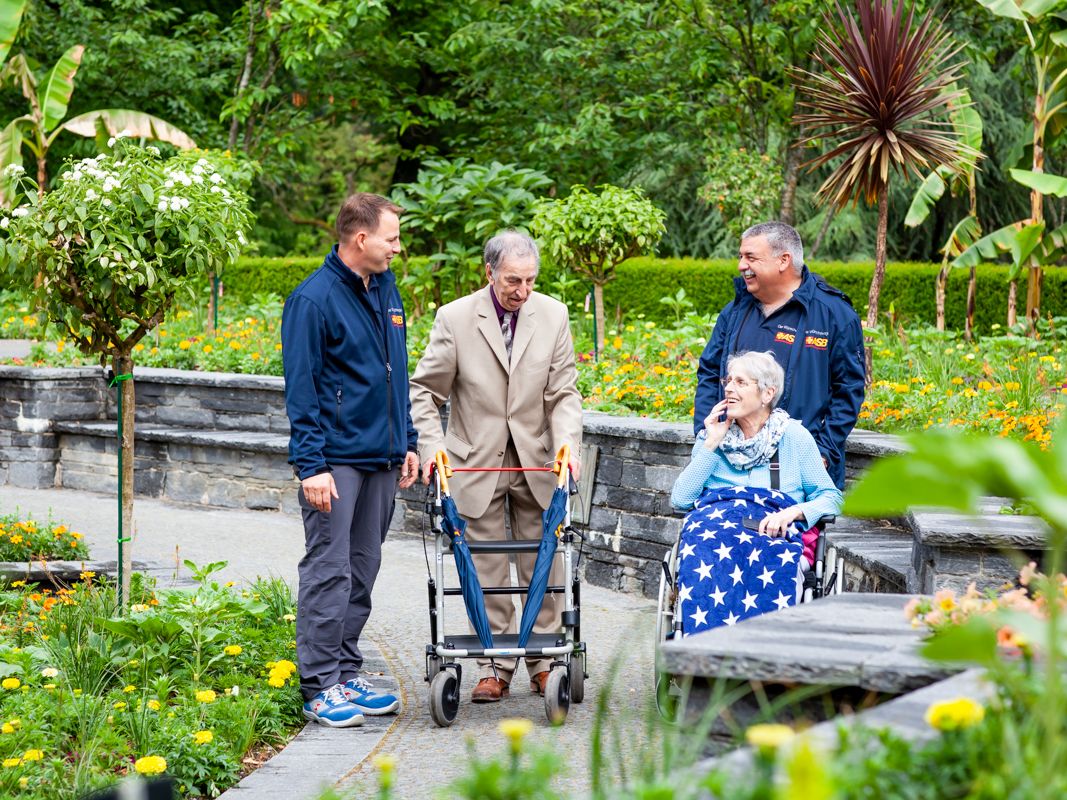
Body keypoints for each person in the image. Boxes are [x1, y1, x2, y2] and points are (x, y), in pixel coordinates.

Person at [409, 229, 583, 703]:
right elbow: (425, 392)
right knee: (484, 564)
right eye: (512, 280)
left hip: (539, 457)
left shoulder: (554, 315)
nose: (522, 291)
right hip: (474, 462)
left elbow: (564, 393)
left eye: (530, 280)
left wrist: (567, 443)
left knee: (541, 561)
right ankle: (494, 664)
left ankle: (544, 661)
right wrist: (432, 446)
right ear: (488, 273)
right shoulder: (455, 317)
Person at [281, 193, 420, 727]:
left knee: (363, 567)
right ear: (361, 239)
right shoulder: (313, 301)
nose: (397, 248)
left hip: (382, 457)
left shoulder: (386, 288)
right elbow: (303, 390)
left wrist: (406, 439)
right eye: (392, 238)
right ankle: (319, 686)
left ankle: (344, 670)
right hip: (334, 462)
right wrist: (311, 465)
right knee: (328, 569)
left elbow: (396, 372)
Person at [671, 351, 842, 633]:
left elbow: (831, 497)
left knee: (774, 562)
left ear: (767, 394)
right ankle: (702, 653)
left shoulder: (794, 438)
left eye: (740, 382)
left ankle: (763, 655)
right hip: (716, 532)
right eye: (728, 381)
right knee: (704, 552)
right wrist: (712, 442)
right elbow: (681, 499)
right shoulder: (711, 438)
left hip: (773, 533)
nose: (728, 388)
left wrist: (794, 512)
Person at [693, 221, 864, 489]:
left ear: (783, 260)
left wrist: (823, 452)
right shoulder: (735, 312)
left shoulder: (834, 314)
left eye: (750, 257)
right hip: (729, 469)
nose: (741, 265)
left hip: (798, 469)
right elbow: (710, 372)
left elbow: (848, 391)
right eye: (740, 256)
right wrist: (704, 437)